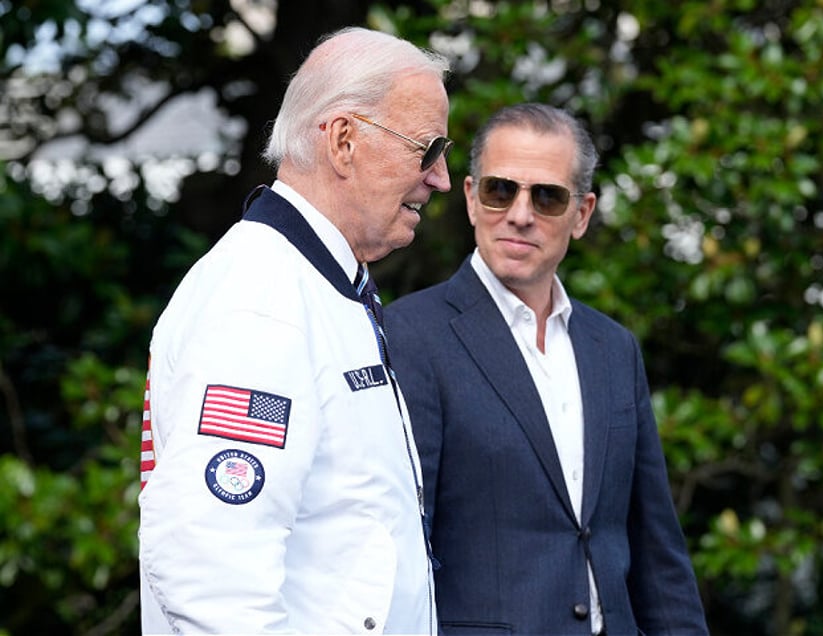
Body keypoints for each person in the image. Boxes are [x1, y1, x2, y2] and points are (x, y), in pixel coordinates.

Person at [137, 26, 452, 634]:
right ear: (342, 141)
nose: (439, 177)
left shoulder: (316, 284)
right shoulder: (261, 302)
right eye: (426, 148)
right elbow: (211, 576)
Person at [384, 103, 709, 636]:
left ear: (581, 214)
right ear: (469, 198)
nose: (519, 213)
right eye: (499, 190)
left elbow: (656, 548)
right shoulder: (410, 336)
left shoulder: (613, 348)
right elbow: (397, 544)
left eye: (548, 196)